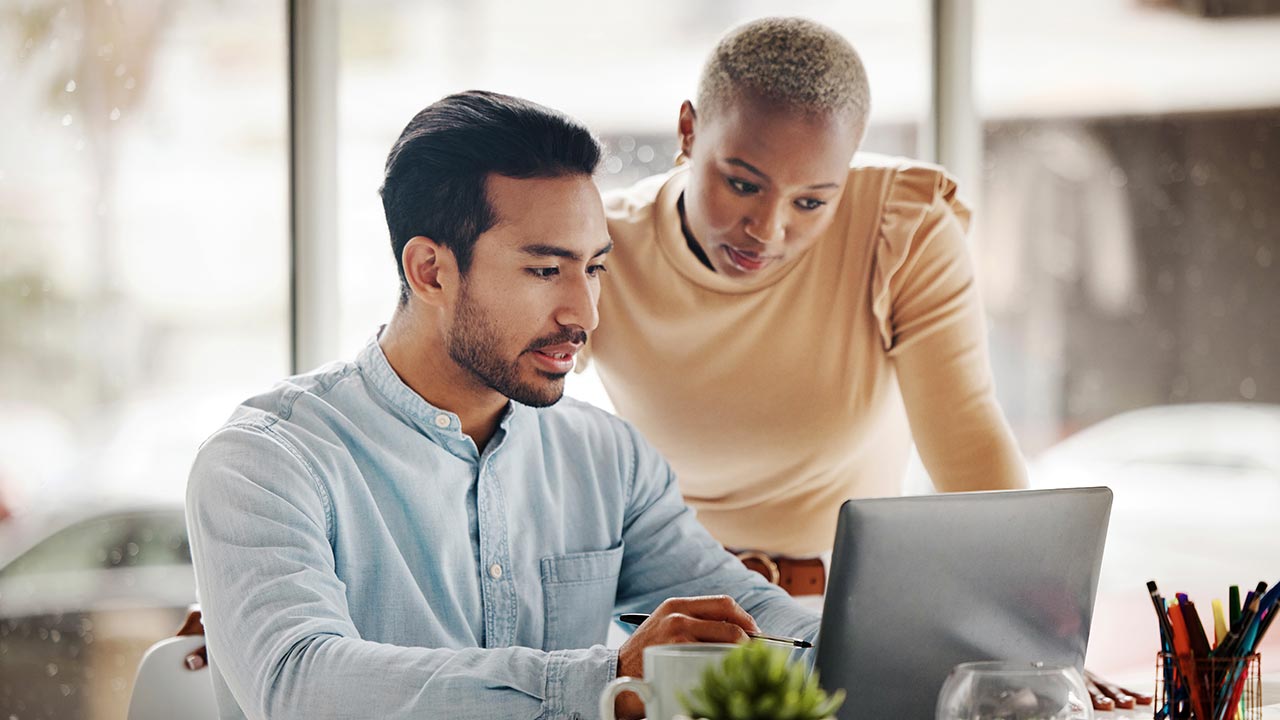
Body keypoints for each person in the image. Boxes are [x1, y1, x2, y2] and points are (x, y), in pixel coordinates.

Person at [184, 90, 818, 720]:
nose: (585, 314)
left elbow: (746, 613)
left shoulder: (608, 457)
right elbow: (302, 683)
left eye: (593, 269)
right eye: (546, 270)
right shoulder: (265, 461)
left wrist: (869, 644)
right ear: (431, 271)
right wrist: (606, 679)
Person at [586, 17, 1028, 594]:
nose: (768, 230)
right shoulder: (601, 245)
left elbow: (970, 449)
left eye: (812, 201)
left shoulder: (902, 226)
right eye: (743, 185)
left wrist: (1032, 633)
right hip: (668, 608)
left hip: (846, 607)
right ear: (689, 131)